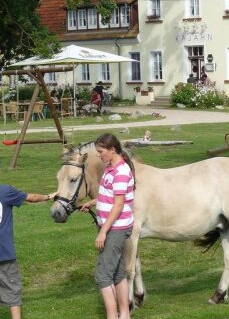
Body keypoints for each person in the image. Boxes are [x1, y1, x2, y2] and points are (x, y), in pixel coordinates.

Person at [0, 153, 58, 319]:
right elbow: (32, 198)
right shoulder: (5, 191)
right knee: (10, 285)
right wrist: (49, 196)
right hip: (2, 250)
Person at [80, 133, 135, 319]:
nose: (98, 155)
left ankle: (112, 316)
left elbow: (119, 205)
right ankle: (125, 314)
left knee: (103, 275)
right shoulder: (111, 168)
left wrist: (103, 232)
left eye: (101, 151)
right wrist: (94, 202)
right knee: (118, 273)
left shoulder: (120, 172)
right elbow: (111, 196)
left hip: (115, 229)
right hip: (111, 227)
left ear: (113, 150)